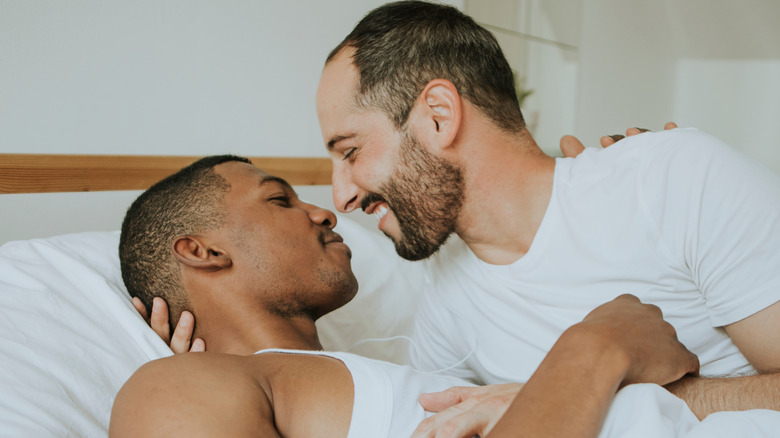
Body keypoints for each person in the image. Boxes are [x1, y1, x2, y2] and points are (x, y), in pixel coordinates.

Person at [314, 0, 780, 434]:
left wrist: (574, 391)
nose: (341, 198)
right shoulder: (446, 295)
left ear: (438, 116)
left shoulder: (674, 179)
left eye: (351, 152)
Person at [110, 155, 702, 437]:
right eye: (280, 200)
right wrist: (595, 348)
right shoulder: (175, 386)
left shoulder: (387, 374)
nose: (324, 211)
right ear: (202, 252)